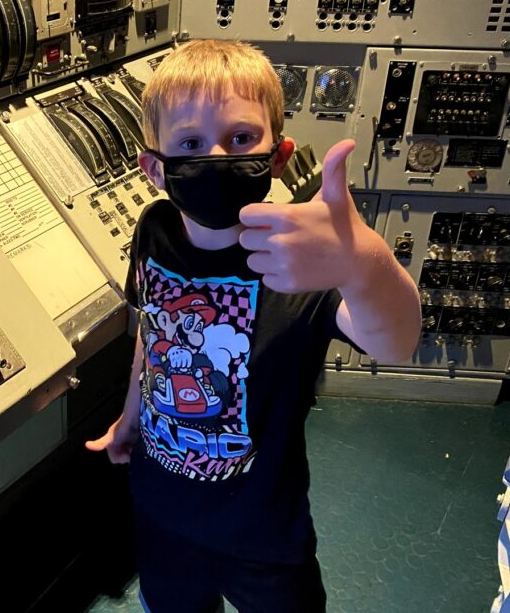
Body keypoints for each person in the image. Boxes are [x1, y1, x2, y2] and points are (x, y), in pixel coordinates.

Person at [86, 39, 422, 612]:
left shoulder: (301, 258)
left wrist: (363, 262)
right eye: (191, 143)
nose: (215, 156)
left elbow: (396, 342)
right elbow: (155, 330)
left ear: (279, 155)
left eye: (240, 138)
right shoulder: (155, 229)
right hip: (162, 514)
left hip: (264, 533)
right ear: (155, 168)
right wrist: (130, 416)